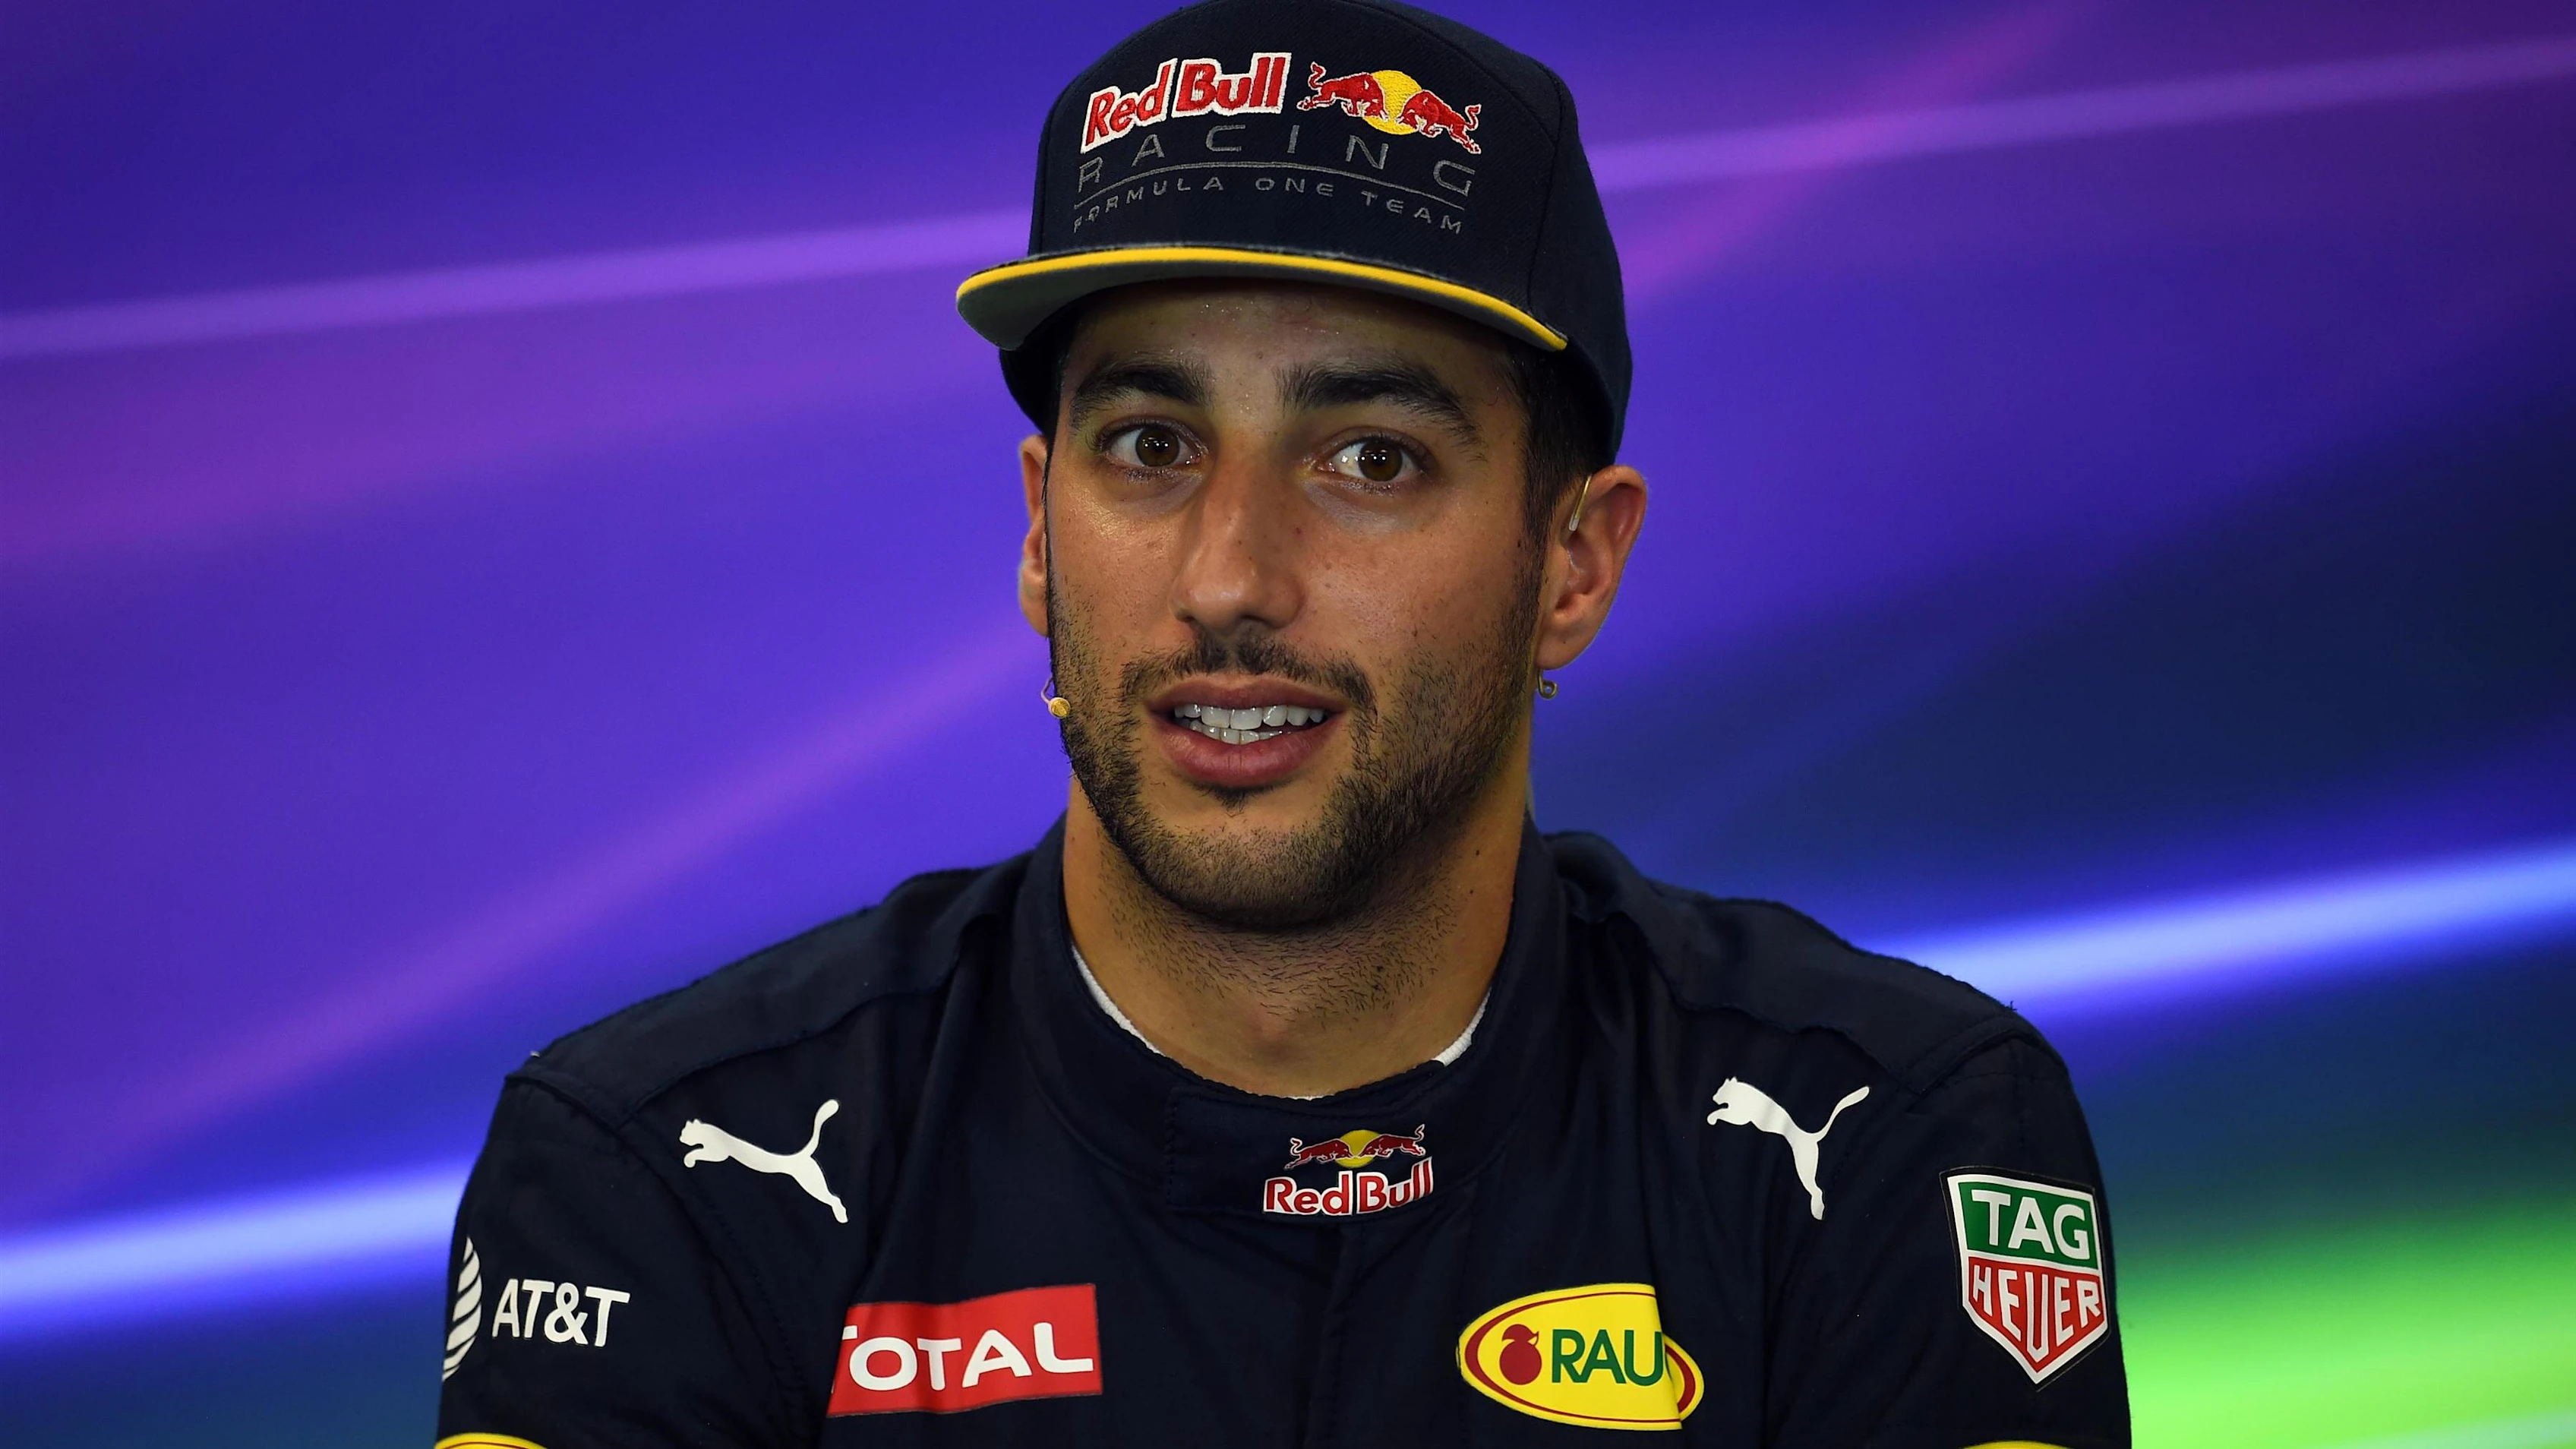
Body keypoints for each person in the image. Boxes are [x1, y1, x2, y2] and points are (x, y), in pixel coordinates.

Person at [433, 2, 2130, 1444]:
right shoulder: (654, 1170)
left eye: (1370, 459)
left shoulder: (1894, 1138)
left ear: (1572, 563)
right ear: (1038, 529)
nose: (1228, 577)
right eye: (1151, 448)